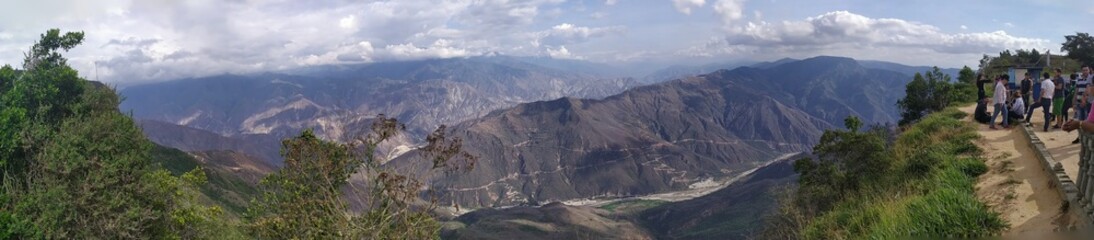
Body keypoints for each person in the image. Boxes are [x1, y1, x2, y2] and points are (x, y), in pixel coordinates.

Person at [1076, 66, 1092, 144]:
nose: (1085, 71)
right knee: (1079, 120)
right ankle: (1079, 137)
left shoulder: (1091, 79)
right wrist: (1073, 100)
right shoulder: (1079, 79)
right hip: (1079, 102)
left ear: (1089, 70)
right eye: (1083, 70)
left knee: (1087, 121)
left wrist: (1084, 100)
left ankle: (1086, 138)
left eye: (1086, 70)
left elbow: (1089, 91)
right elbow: (1076, 90)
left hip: (1087, 103)